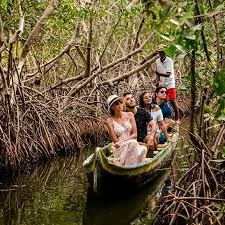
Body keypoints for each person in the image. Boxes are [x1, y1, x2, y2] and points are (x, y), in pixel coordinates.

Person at [106, 94, 147, 167]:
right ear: (112, 107)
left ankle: (131, 169)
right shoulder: (109, 121)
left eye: (120, 102)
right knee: (133, 143)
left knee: (143, 149)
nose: (120, 104)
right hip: (120, 147)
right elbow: (115, 141)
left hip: (131, 143)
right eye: (116, 103)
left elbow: (135, 134)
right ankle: (129, 169)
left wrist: (122, 140)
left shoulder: (130, 115)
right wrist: (122, 142)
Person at [122, 92, 157, 157]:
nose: (131, 99)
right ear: (124, 104)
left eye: (132, 97)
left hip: (143, 138)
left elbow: (153, 125)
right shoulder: (123, 115)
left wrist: (151, 137)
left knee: (151, 140)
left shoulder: (143, 111)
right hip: (130, 140)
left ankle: (148, 160)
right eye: (128, 99)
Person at [155, 47, 179, 122]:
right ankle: (162, 118)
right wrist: (157, 82)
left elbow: (168, 74)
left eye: (162, 52)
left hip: (170, 83)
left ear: (165, 52)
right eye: (159, 52)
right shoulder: (157, 61)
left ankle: (177, 118)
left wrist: (159, 74)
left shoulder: (169, 61)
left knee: (172, 100)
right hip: (162, 83)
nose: (161, 53)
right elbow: (157, 73)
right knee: (161, 101)